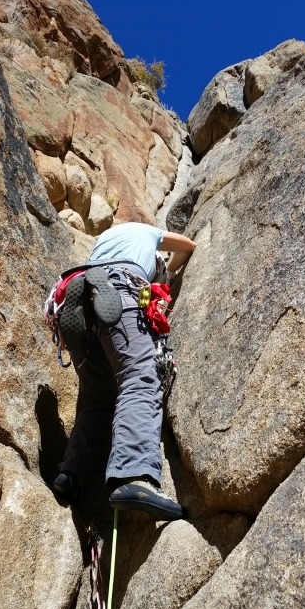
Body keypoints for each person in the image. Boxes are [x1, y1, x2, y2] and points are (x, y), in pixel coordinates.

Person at [52, 222, 196, 522]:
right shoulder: (148, 232)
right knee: (140, 377)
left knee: (99, 398)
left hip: (81, 291)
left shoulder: (104, 239)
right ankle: (133, 476)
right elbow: (187, 245)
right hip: (122, 287)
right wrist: (167, 274)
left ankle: (72, 475)